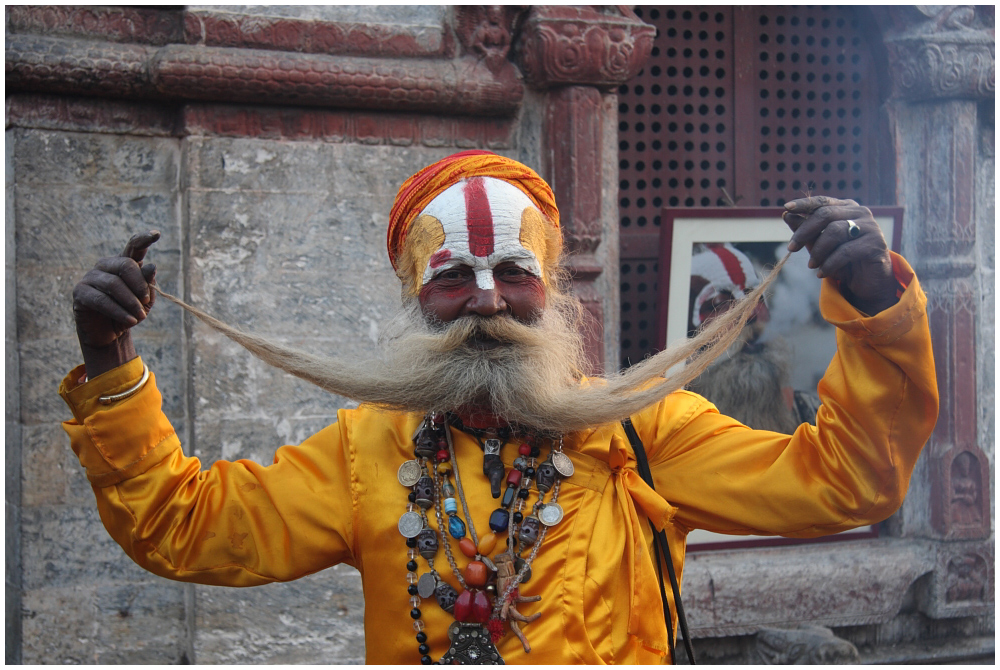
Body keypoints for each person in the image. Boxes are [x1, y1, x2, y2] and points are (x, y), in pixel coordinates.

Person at [61, 151, 938, 664]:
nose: (486, 301)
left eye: (513, 274)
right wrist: (110, 362)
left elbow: (846, 484)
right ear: (416, 299)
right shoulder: (366, 449)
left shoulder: (637, 426)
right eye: (453, 279)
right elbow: (182, 525)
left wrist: (872, 301)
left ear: (548, 292)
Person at [685, 242, 820, 433]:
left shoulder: (810, 417)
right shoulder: (674, 435)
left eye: (754, 297)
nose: (750, 314)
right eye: (720, 303)